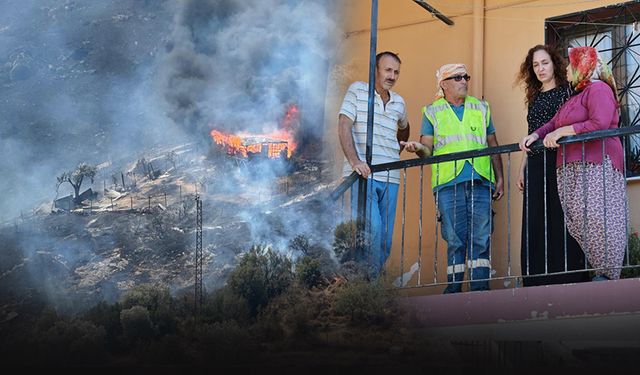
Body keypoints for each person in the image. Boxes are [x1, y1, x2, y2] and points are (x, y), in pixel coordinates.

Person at [519, 46, 627, 281]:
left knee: (599, 218)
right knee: (579, 218)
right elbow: (553, 123)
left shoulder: (598, 89)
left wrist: (565, 130)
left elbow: (600, 123)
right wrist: (535, 136)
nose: (565, 69)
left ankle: (608, 275)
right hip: (575, 165)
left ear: (582, 66)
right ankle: (601, 273)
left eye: (569, 65)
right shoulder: (577, 96)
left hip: (598, 162)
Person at [402, 63, 504, 293]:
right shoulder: (432, 111)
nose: (464, 81)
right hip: (448, 185)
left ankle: (480, 290)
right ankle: (454, 290)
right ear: (444, 84)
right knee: (455, 240)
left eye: (465, 77)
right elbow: (427, 149)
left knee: (481, 238)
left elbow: (493, 144)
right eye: (457, 78)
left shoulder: (480, 107)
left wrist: (500, 179)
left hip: (480, 181)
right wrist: (417, 147)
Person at [515, 45, 589, 286]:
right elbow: (531, 135)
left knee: (563, 216)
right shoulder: (534, 98)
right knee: (536, 218)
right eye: (535, 65)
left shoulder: (569, 91)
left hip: (560, 161)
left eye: (544, 63)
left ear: (554, 64)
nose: (540, 69)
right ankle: (537, 279)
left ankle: (569, 276)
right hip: (536, 165)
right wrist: (522, 168)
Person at [338, 51, 410, 277]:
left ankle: (371, 282)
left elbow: (405, 127)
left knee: (385, 239)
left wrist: (395, 150)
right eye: (388, 70)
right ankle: (367, 283)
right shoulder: (358, 90)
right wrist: (355, 161)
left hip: (391, 177)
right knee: (373, 231)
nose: (392, 75)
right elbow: (343, 125)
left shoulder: (399, 102)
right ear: (376, 70)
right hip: (364, 175)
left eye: (396, 71)